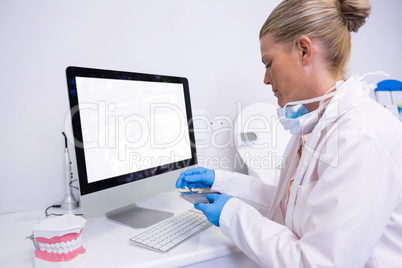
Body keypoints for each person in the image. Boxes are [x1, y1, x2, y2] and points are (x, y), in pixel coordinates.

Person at [176, 0, 402, 267]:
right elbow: (291, 206)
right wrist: (222, 183)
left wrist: (231, 213)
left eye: (268, 63)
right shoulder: (315, 124)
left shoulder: (362, 137)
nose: (265, 79)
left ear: (304, 50)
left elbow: (317, 263)